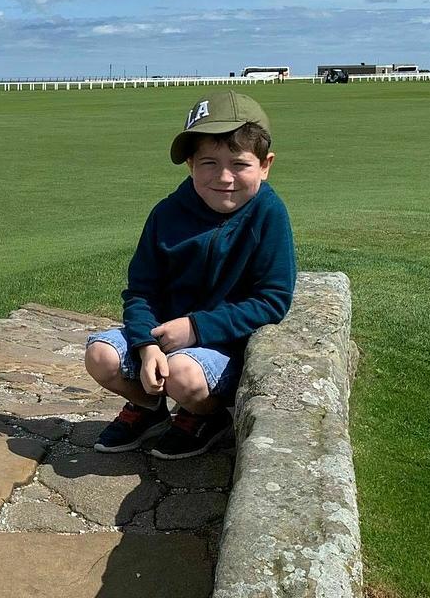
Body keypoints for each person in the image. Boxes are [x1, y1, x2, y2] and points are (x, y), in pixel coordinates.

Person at [83, 91, 296, 459]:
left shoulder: (269, 214)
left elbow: (272, 300)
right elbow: (141, 291)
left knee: (182, 373)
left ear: (265, 165)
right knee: (100, 354)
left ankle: (206, 416)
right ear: (190, 165)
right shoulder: (167, 214)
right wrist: (145, 344)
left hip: (224, 347)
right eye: (208, 163)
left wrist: (196, 328)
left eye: (240, 164)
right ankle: (148, 408)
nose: (224, 177)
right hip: (162, 339)